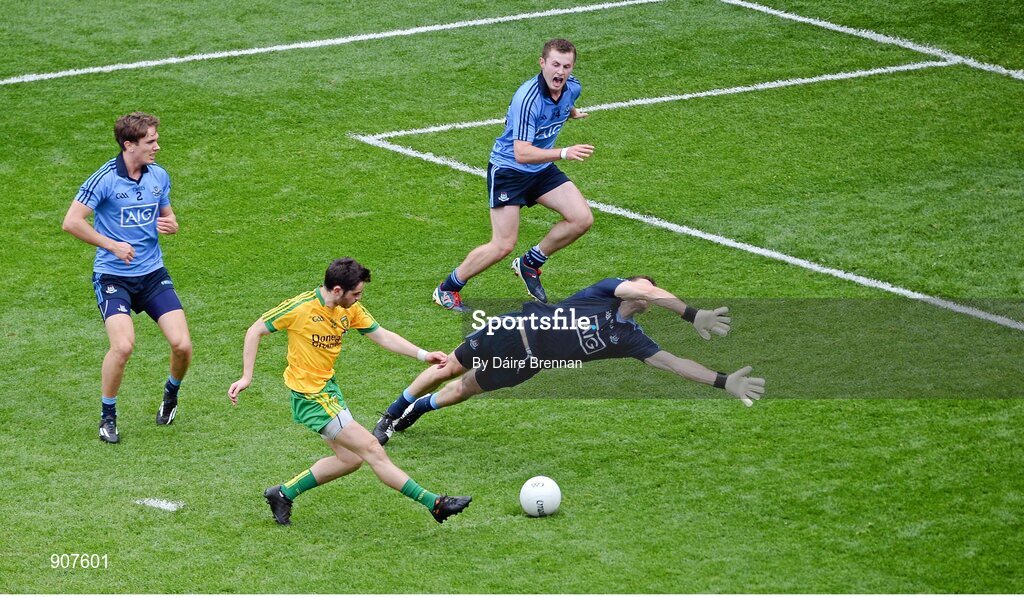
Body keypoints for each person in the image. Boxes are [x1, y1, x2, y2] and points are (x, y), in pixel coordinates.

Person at [374, 276, 765, 445]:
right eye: (644, 286)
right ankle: (390, 415)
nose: (648, 293)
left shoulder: (630, 339)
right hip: (512, 330)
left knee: (465, 388)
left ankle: (419, 409)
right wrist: (691, 314)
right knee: (449, 368)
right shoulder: (605, 291)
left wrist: (723, 380)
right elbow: (648, 290)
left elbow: (676, 364)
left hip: (529, 363)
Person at [227, 257, 472, 526]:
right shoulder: (300, 307)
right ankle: (434, 503)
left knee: (351, 459)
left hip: (328, 390)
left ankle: (282, 494)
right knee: (372, 448)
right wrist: (246, 377)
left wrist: (423, 355)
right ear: (337, 290)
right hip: (311, 398)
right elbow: (255, 330)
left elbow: (381, 335)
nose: (358, 299)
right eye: (355, 294)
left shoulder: (350, 309)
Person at [433, 38, 595, 311]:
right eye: (555, 64)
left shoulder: (572, 87)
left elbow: (565, 102)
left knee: (582, 219)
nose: (560, 72)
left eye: (566, 66)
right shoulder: (527, 99)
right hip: (510, 171)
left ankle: (530, 262)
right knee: (503, 245)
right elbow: (522, 153)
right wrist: (564, 152)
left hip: (540, 169)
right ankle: (447, 288)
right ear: (542, 63)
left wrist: (572, 113)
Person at [62, 112, 192, 444]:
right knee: (122, 347)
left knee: (182, 345)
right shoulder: (104, 179)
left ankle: (171, 395)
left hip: (152, 275)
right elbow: (72, 221)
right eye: (151, 141)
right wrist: (112, 245)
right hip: (113, 277)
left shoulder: (158, 176)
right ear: (129, 145)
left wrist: (172, 225)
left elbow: (168, 216)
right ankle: (108, 416)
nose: (157, 147)